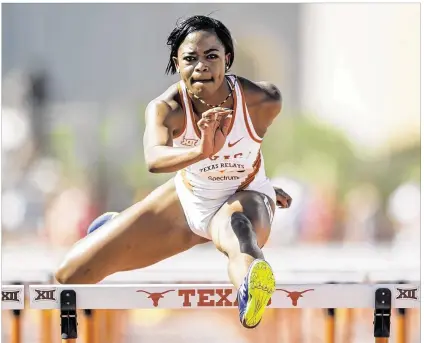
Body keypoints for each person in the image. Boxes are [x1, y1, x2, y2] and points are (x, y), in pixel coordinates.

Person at [55, 15, 292, 329]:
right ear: (177, 63)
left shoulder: (261, 101)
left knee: (238, 228)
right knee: (71, 273)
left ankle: (252, 286)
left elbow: (250, 150)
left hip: (243, 198)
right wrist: (201, 151)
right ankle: (115, 225)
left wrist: (265, 188)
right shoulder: (167, 108)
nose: (202, 67)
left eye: (211, 57)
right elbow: (153, 158)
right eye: (191, 59)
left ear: (228, 60)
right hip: (188, 200)